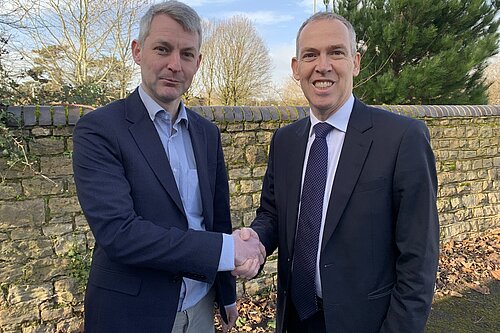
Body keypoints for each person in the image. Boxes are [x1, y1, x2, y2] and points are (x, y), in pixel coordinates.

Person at [235, 12, 439, 333]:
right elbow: (273, 214)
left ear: (355, 63)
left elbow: (419, 259)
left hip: (366, 323)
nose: (323, 66)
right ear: (296, 68)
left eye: (336, 52)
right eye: (311, 55)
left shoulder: (402, 139)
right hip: (295, 319)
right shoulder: (285, 141)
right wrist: (255, 241)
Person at [72, 1, 264, 332]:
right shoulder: (99, 130)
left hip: (201, 307)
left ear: (198, 62)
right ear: (137, 51)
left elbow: (216, 218)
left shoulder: (207, 133)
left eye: (187, 54)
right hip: (133, 314)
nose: (174, 64)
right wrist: (229, 249)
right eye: (163, 49)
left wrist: (227, 295)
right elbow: (121, 234)